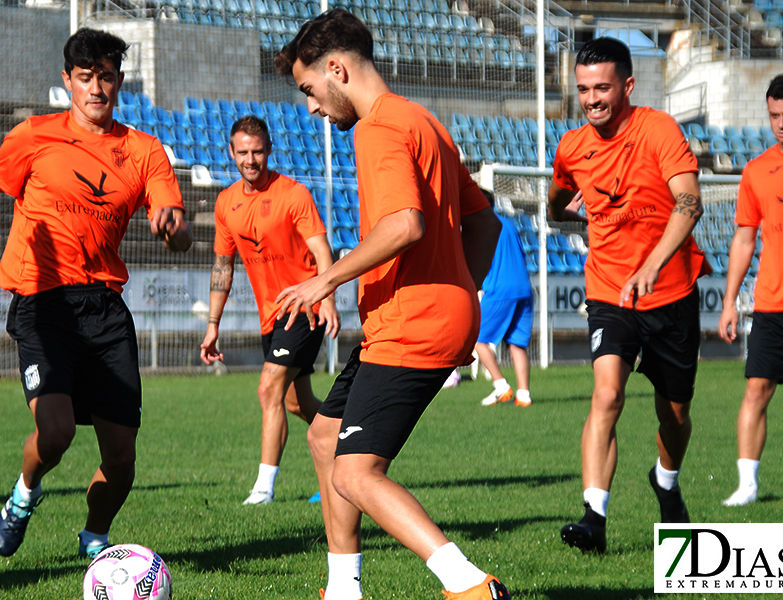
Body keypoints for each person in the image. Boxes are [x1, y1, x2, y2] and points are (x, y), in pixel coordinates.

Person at [0, 28, 191, 559]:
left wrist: (173, 229)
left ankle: (95, 538)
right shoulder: (33, 135)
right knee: (57, 430)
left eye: (107, 77)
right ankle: (23, 496)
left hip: (104, 309)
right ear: (67, 80)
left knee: (120, 457)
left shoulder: (144, 151)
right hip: (42, 302)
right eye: (86, 77)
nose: (97, 89)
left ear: (120, 81)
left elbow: (181, 233)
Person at [273, 10, 508, 600]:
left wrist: (325, 280)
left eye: (309, 91)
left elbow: (404, 224)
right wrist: (459, 294)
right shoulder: (423, 119)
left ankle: (470, 586)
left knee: (356, 472)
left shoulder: (379, 129)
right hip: (422, 318)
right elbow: (485, 226)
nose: (312, 108)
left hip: (412, 323)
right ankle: (343, 589)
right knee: (325, 438)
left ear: (336, 69)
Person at [547, 37, 707, 553]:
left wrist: (652, 265)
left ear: (628, 86)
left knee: (674, 414)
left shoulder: (658, 129)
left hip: (671, 292)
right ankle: (594, 517)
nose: (591, 99)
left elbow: (689, 202)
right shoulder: (571, 147)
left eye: (602, 88)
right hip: (609, 292)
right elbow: (555, 203)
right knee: (607, 393)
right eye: (583, 89)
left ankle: (666, 479)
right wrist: (570, 213)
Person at [199, 115, 339, 505]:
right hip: (271, 316)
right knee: (295, 402)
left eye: (257, 151)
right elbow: (222, 266)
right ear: (231, 153)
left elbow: (322, 251)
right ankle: (350, 438)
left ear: (269, 151)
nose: (251, 159)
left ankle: (263, 490)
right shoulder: (226, 203)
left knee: (268, 387)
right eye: (243, 152)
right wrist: (213, 325)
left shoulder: (293, 194)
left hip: (304, 309)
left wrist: (327, 298)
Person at [717, 73, 783, 507]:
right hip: (773, 303)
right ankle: (747, 486)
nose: (781, 124)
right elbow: (743, 239)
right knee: (756, 389)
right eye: (774, 115)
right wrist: (729, 301)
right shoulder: (756, 170)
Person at [475, 190, 533, 408]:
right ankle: (524, 395)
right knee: (517, 345)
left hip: (500, 289)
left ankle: (501, 386)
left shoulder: (480, 226)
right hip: (524, 289)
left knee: (478, 340)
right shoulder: (508, 224)